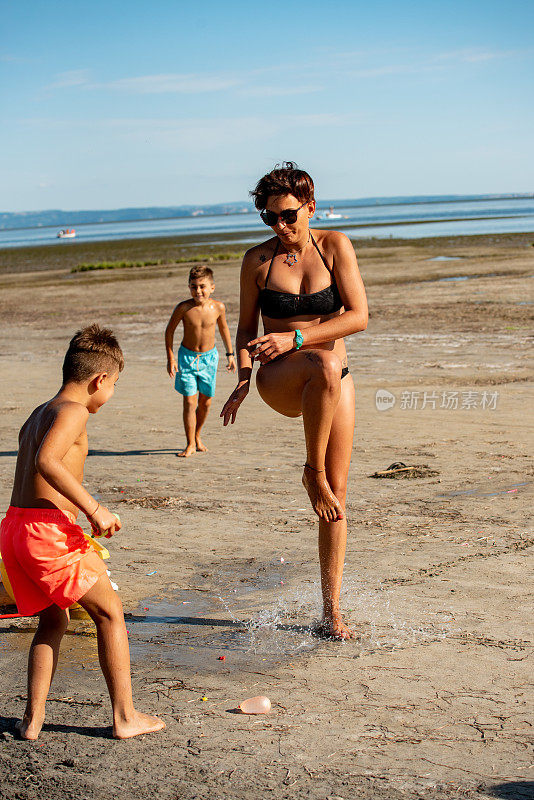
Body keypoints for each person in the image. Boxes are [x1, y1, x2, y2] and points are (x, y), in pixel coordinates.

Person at [221, 163, 368, 640]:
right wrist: (244, 378)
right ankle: (312, 471)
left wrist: (298, 336)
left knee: (338, 499)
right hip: (280, 379)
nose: (279, 227)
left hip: (332, 380)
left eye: (287, 216)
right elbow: (246, 329)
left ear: (310, 206)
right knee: (322, 364)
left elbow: (360, 316)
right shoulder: (257, 262)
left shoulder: (335, 247)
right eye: (269, 218)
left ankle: (331, 612)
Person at [0, 324, 165, 740]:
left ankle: (31, 721)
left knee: (52, 621)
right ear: (100, 380)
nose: (112, 395)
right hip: (47, 531)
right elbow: (47, 462)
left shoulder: (41, 411)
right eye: (115, 386)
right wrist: (94, 508)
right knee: (110, 613)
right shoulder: (73, 411)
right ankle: (125, 716)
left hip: (16, 528)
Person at [165, 265, 236, 457]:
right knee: (189, 401)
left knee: (205, 403)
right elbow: (169, 331)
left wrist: (230, 354)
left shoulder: (218, 307)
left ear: (212, 287)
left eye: (202, 286)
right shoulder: (184, 308)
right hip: (187, 358)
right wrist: (170, 357)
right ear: (189, 287)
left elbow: (224, 330)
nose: (198, 291)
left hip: (209, 359)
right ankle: (189, 444)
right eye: (193, 287)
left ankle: (197, 435)